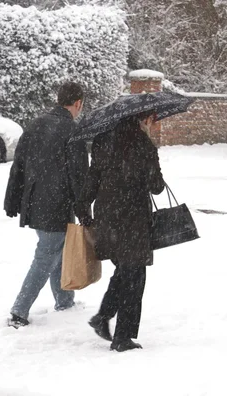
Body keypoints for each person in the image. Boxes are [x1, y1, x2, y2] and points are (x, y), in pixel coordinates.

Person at [75, 112, 165, 352]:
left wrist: (83, 210)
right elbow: (157, 187)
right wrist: (152, 165)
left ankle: (103, 317)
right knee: (134, 278)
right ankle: (122, 337)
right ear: (143, 120)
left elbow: (92, 179)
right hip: (133, 221)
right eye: (151, 120)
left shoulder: (103, 141)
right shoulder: (143, 145)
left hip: (107, 219)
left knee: (125, 270)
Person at [3, 82, 88, 328]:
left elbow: (18, 164)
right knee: (46, 255)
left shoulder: (36, 125)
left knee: (57, 251)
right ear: (78, 103)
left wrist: (13, 200)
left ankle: (65, 301)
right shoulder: (73, 130)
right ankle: (19, 311)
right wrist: (84, 209)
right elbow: (78, 174)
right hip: (57, 204)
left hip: (35, 201)